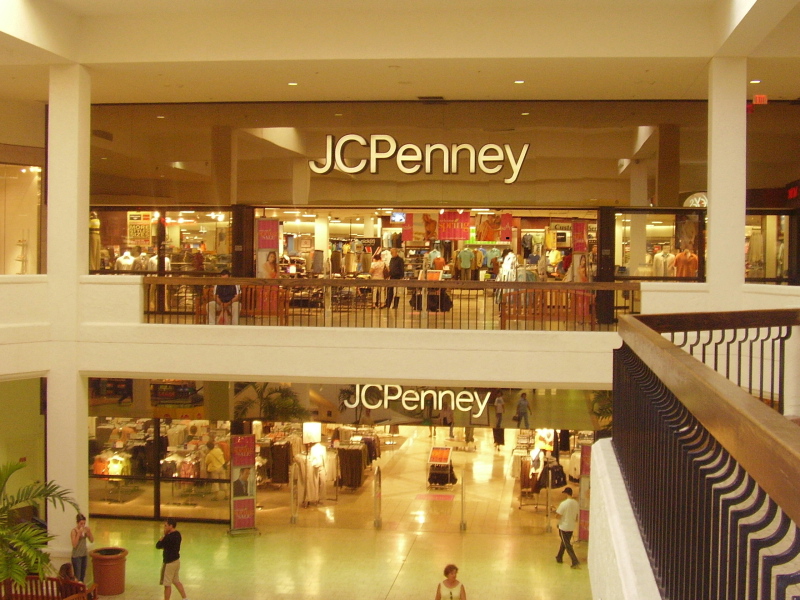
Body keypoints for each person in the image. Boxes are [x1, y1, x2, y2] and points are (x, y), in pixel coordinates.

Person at [156, 518, 189, 600]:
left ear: (171, 526)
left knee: (167, 585)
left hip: (169, 563)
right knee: (176, 581)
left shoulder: (168, 537)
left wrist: (164, 536)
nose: (164, 527)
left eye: (166, 525)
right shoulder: (178, 534)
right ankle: (185, 598)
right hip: (176, 561)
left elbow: (158, 545)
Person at [555, 487, 581, 569]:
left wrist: (558, 521)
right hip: (571, 526)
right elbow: (577, 517)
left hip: (563, 527)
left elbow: (558, 515)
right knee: (564, 542)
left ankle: (575, 561)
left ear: (566, 493)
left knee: (567, 544)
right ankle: (559, 557)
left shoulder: (564, 503)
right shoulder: (576, 503)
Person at [70, 513, 94, 582]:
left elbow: (92, 540)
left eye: (84, 523)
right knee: (77, 576)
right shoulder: (74, 531)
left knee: (82, 575)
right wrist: (78, 534)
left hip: (84, 555)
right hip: (77, 556)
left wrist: (89, 532)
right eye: (81, 523)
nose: (82, 525)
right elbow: (74, 545)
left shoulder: (85, 530)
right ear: (77, 523)